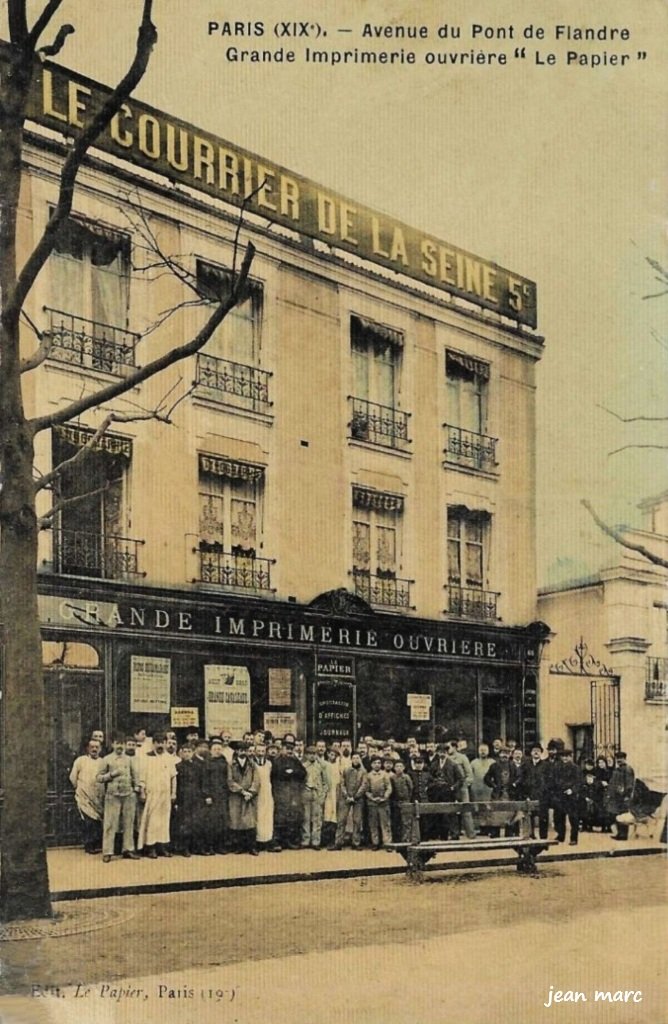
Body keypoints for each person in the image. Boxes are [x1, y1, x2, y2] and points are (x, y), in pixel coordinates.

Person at [97, 732, 141, 862]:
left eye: (122, 744)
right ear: (113, 744)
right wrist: (112, 775)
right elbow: (98, 778)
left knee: (129, 823)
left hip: (128, 795)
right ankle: (107, 851)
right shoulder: (106, 759)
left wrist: (136, 788)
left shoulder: (129, 759)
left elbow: (136, 776)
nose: (120, 746)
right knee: (110, 824)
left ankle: (128, 849)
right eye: (117, 743)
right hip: (113, 795)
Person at [137, 732, 177, 858]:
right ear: (153, 744)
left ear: (165, 743)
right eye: (157, 743)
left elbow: (173, 777)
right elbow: (142, 777)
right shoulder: (146, 757)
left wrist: (173, 793)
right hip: (152, 794)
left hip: (165, 795)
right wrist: (142, 792)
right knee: (152, 821)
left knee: (164, 821)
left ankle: (162, 846)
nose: (160, 745)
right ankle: (151, 847)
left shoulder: (169, 758)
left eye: (162, 743)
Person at [69, 738, 104, 854]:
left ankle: (96, 844)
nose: (94, 749)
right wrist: (80, 788)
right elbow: (73, 777)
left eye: (97, 747)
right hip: (84, 796)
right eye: (92, 747)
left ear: (100, 749)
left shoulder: (103, 762)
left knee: (96, 821)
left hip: (97, 797)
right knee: (88, 821)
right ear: (87, 749)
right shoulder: (81, 761)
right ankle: (89, 845)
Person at [271, 738, 307, 849]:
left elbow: (303, 773)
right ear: (282, 749)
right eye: (287, 749)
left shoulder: (296, 761)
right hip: (280, 793)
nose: (289, 751)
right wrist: (288, 773)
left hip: (293, 793)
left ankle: (290, 841)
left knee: (292, 818)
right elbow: (276, 774)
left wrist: (292, 772)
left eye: (291, 749)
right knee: (280, 818)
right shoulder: (276, 761)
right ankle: (279, 841)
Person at [227, 742, 259, 855]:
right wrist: (241, 791)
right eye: (240, 750)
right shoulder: (231, 764)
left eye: (244, 750)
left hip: (249, 797)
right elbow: (230, 781)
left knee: (250, 823)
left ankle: (252, 847)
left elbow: (256, 780)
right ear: (236, 751)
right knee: (237, 821)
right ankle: (239, 846)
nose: (242, 752)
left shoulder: (252, 764)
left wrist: (250, 792)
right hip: (236, 796)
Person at [332, 751, 367, 850]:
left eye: (357, 758)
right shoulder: (346, 770)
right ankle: (338, 842)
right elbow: (342, 784)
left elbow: (364, 785)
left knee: (357, 821)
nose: (356, 760)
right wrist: (346, 795)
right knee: (341, 820)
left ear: (360, 759)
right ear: (351, 759)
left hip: (358, 799)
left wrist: (356, 797)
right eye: (354, 758)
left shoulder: (363, 771)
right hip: (346, 798)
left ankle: (356, 843)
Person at [202, 737, 230, 854]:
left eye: (219, 749)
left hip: (222, 795)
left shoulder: (224, 761)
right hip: (211, 796)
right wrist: (207, 795)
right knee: (211, 823)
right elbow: (204, 780)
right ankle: (210, 846)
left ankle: (220, 846)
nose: (217, 751)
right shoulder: (207, 762)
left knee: (222, 822)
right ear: (211, 750)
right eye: (215, 749)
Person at [553, 749, 583, 845]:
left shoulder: (576, 768)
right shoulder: (557, 767)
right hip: (560, 795)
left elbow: (579, 782)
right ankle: (560, 835)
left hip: (571, 797)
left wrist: (572, 790)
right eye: (563, 756)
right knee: (559, 817)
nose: (565, 758)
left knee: (573, 818)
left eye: (567, 756)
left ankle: (573, 838)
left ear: (571, 757)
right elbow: (555, 780)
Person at [173, 744, 199, 856]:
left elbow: (199, 783)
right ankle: (183, 848)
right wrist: (177, 801)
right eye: (185, 751)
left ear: (192, 753)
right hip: (183, 799)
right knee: (184, 824)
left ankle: (192, 846)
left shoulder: (197, 767)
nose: (187, 753)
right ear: (181, 753)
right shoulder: (177, 767)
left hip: (195, 798)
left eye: (189, 751)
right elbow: (176, 785)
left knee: (194, 823)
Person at [302, 745, 329, 849]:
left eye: (314, 754)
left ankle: (316, 841)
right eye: (310, 754)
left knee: (317, 818)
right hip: (306, 792)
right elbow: (300, 781)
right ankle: (305, 840)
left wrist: (323, 795)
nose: (312, 756)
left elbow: (326, 783)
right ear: (306, 755)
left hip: (317, 793)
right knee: (306, 817)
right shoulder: (303, 766)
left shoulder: (321, 767)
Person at [254, 742, 279, 851]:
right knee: (258, 816)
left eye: (262, 751)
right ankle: (258, 841)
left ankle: (268, 840)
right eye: (258, 751)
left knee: (268, 816)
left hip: (267, 792)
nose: (260, 753)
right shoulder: (252, 763)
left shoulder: (269, 764)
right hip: (257, 793)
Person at [605, 751, 636, 840]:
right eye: (617, 758)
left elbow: (629, 784)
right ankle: (619, 833)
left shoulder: (627, 769)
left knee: (623, 815)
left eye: (621, 758)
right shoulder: (617, 769)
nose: (619, 760)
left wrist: (626, 795)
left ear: (625, 759)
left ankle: (623, 835)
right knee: (617, 814)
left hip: (623, 797)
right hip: (616, 797)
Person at [365, 755, 392, 850]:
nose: (377, 765)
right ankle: (375, 843)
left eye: (378, 763)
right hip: (372, 804)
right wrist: (372, 798)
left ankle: (388, 843)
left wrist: (384, 797)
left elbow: (389, 787)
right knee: (373, 824)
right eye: (374, 763)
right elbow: (366, 790)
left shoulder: (385, 775)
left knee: (385, 824)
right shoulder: (368, 775)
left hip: (383, 803)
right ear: (371, 765)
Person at [322, 747, 341, 849]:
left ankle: (332, 840)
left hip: (336, 792)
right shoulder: (324, 765)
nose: (332, 756)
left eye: (334, 755)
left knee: (335, 816)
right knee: (327, 815)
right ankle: (325, 839)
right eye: (331, 754)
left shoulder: (338, 766)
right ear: (327, 754)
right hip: (327, 792)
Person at [390, 760, 414, 842]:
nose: (399, 768)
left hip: (406, 801)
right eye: (397, 766)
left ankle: (406, 839)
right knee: (396, 821)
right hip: (396, 802)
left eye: (401, 766)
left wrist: (407, 799)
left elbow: (411, 789)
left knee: (406, 822)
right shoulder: (392, 777)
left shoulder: (407, 777)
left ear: (403, 768)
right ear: (394, 768)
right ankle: (397, 839)